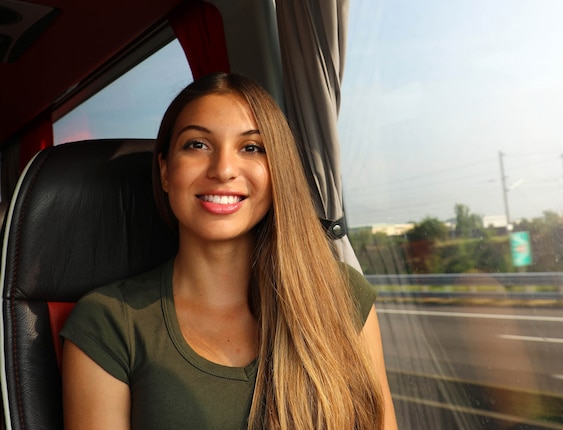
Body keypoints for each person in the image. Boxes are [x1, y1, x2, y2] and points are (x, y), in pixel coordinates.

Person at [61, 72, 397, 429]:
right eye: (197, 145)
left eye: (251, 148)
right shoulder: (109, 323)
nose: (223, 170)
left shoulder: (340, 295)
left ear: (276, 171)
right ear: (164, 171)